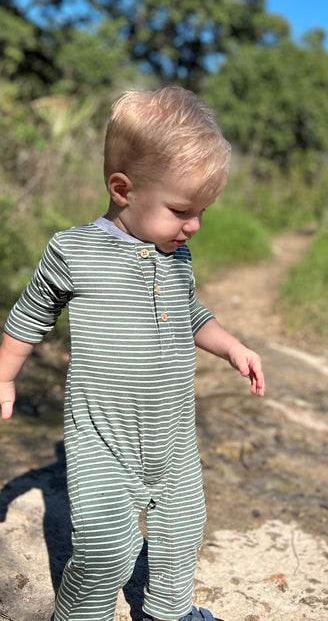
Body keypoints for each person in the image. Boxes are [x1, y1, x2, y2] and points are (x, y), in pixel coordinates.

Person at [0, 87, 265, 621]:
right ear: (123, 189)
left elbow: (193, 316)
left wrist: (232, 347)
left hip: (173, 435)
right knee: (107, 549)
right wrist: (6, 377)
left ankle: (169, 611)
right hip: (102, 437)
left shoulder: (175, 256)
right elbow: (30, 316)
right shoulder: (73, 250)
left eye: (202, 212)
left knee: (182, 531)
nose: (193, 226)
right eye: (181, 210)